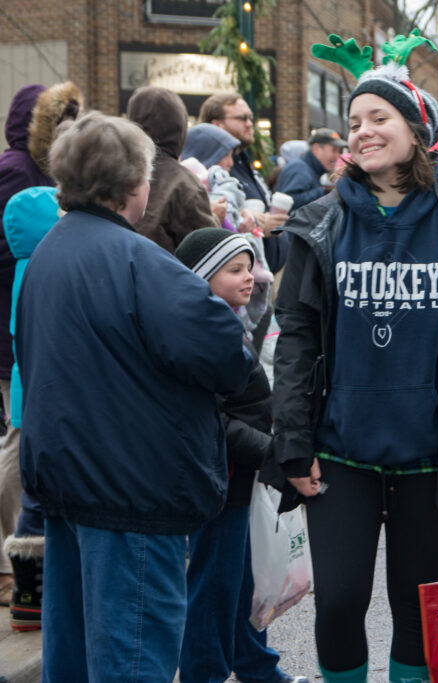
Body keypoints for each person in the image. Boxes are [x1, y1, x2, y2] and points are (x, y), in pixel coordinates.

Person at [272, 34, 438, 683]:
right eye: (355, 121)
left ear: (417, 129)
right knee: (342, 599)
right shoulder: (318, 222)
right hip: (341, 451)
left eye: (379, 117)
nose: (363, 131)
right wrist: (292, 440)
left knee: (418, 607)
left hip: (431, 457)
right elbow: (295, 335)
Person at [16, 111, 252, 680]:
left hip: (68, 482)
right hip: (134, 491)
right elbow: (226, 354)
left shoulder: (49, 253)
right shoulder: (138, 260)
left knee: (71, 661)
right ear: (132, 186)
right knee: (132, 663)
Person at [175, 228, 308, 683]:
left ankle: (255, 666)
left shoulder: (231, 320)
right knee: (215, 586)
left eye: (250, 266)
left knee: (240, 582)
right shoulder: (203, 331)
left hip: (238, 474)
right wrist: (271, 453)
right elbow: (214, 419)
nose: (250, 277)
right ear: (202, 277)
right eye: (235, 270)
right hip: (221, 477)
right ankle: (205, 674)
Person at [0, 80, 81, 610]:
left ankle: (26, 565)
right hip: (16, 324)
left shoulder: (43, 174)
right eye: (63, 119)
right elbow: (12, 251)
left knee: (25, 436)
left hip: (29, 319)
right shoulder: (16, 172)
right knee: (17, 441)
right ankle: (13, 564)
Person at [1, 186, 59, 631]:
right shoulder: (45, 268)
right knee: (33, 489)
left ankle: (26, 593)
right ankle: (34, 592)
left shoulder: (25, 267)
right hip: (42, 395)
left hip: (27, 392)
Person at [200, 93, 289, 271]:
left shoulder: (241, 160)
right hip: (238, 282)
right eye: (242, 118)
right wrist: (255, 223)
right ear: (217, 124)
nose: (249, 124)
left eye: (250, 118)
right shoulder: (213, 169)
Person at [127, 86, 217, 252]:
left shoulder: (116, 173)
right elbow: (209, 250)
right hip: (162, 274)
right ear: (181, 130)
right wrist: (216, 218)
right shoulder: (183, 183)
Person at [276, 128, 342, 210]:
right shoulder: (299, 168)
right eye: (334, 150)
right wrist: (324, 191)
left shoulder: (310, 169)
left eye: (338, 151)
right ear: (317, 149)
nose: (337, 156)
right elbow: (290, 201)